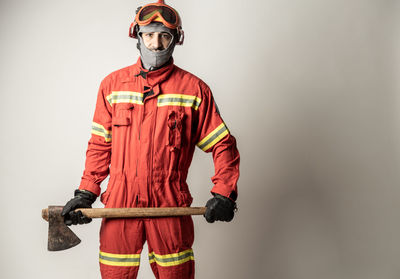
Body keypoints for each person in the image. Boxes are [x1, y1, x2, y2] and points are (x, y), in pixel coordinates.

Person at [61, 1, 240, 278]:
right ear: (137, 36)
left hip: (169, 203)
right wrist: (86, 192)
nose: (156, 44)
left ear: (177, 39)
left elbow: (222, 145)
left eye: (164, 36)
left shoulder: (194, 90)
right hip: (120, 201)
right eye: (149, 34)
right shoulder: (112, 86)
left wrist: (224, 193)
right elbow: (99, 145)